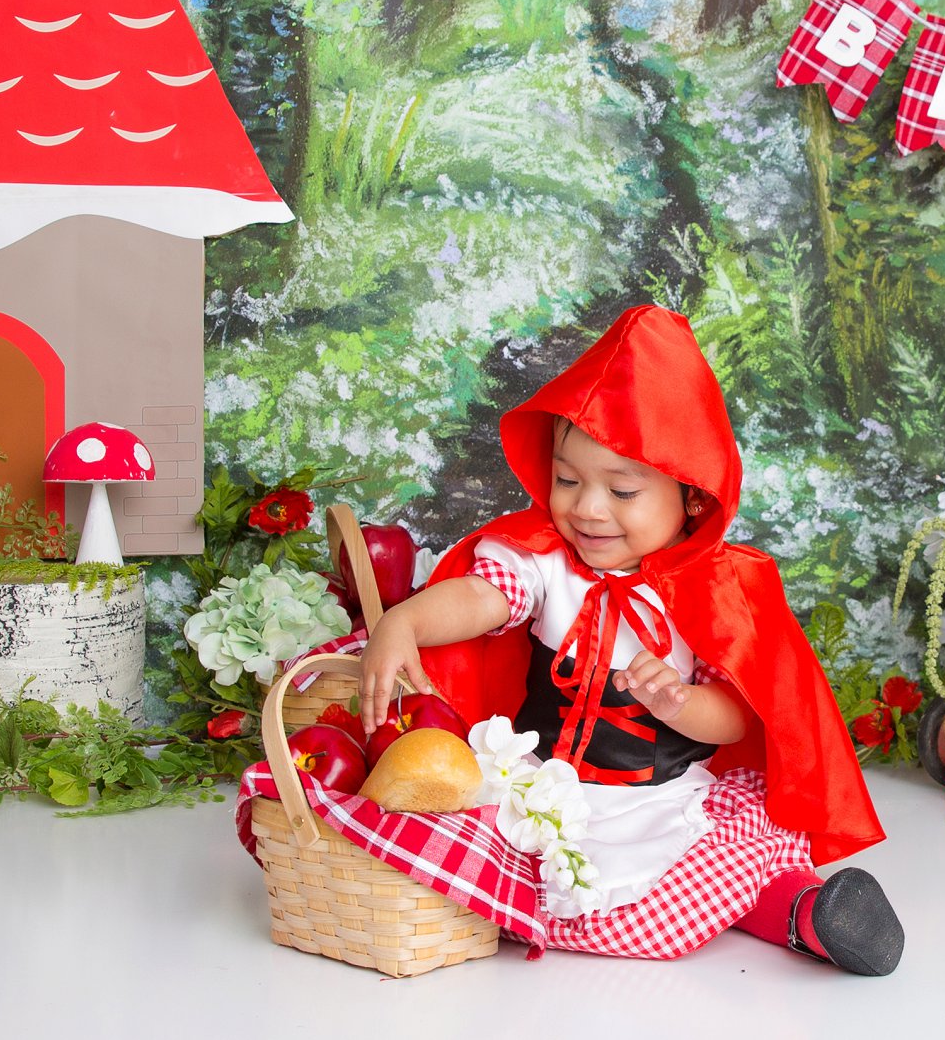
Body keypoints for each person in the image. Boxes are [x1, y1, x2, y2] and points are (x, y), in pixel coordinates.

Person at [357, 304, 903, 974]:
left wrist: (678, 702)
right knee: (455, 840)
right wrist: (403, 620)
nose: (586, 508)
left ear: (691, 498)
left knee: (724, 854)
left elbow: (735, 716)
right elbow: (478, 598)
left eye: (622, 490)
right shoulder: (545, 563)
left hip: (655, 798)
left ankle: (807, 916)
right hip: (538, 789)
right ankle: (775, 910)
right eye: (567, 480)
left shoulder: (708, 592)